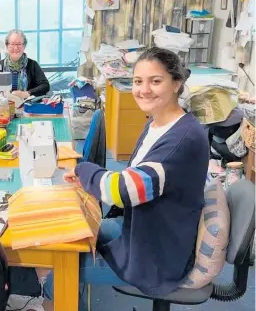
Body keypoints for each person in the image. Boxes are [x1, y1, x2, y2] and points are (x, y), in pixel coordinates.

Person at [37, 47, 209, 311]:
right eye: (138, 81)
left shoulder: (182, 139)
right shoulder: (158, 124)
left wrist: (84, 170)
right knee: (67, 239)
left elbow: (124, 190)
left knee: (60, 275)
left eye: (156, 81)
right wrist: (89, 173)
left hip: (156, 255)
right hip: (142, 228)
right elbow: (135, 179)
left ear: (176, 84)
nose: (144, 89)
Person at [0, 29, 50, 98]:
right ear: (7, 46)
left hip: (27, 106)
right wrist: (0, 98)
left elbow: (45, 86)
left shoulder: (32, 65)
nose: (16, 47)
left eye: (19, 44)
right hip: (4, 106)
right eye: (12, 44)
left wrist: (27, 93)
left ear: (24, 46)